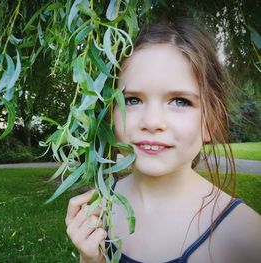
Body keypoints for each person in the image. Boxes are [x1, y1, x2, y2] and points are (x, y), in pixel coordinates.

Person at [65, 19, 261, 263]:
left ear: (212, 122)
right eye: (132, 100)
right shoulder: (99, 209)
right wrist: (90, 259)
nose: (152, 121)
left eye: (179, 101)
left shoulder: (246, 237)